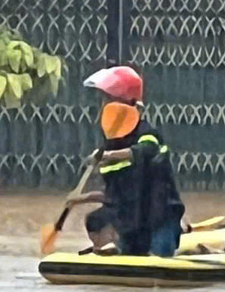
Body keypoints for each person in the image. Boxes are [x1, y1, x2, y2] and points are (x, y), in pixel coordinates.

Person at [67, 65, 185, 256]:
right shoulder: (112, 143)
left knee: (159, 257)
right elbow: (115, 195)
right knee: (95, 220)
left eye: (110, 99)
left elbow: (144, 151)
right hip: (133, 221)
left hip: (159, 216)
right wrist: (80, 199)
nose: (104, 104)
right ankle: (108, 248)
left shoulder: (147, 133)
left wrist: (106, 156)